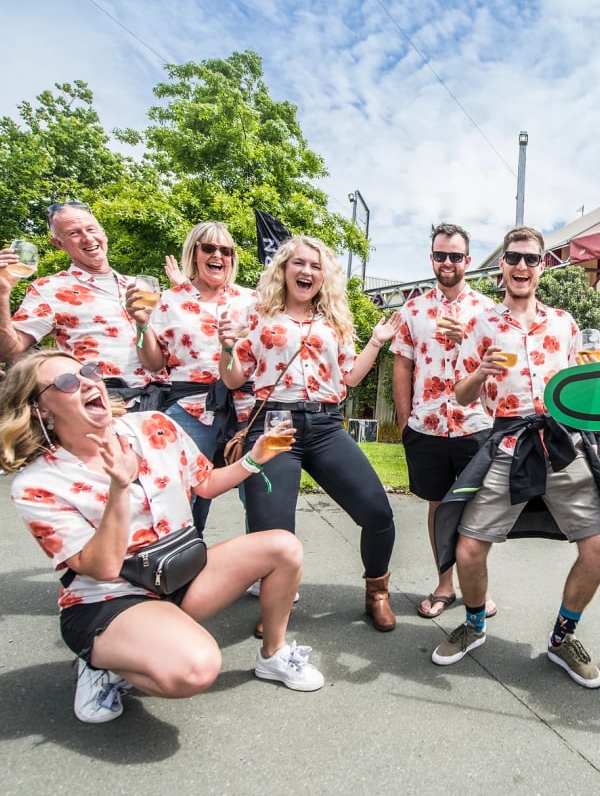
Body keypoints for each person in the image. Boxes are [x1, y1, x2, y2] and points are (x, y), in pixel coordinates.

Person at [0, 350, 324, 724]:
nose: (89, 382)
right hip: (112, 599)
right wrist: (120, 488)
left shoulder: (154, 424)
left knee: (283, 546)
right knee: (195, 669)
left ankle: (273, 655)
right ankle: (101, 664)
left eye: (88, 370)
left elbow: (204, 484)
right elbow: (102, 568)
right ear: (40, 408)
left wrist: (254, 458)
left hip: (178, 575)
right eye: (68, 382)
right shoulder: (37, 484)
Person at [431, 226, 600, 688]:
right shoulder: (482, 325)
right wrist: (481, 370)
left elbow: (576, 394)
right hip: (507, 442)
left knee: (598, 548)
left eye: (530, 259)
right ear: (501, 266)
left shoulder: (565, 323)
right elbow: (463, 397)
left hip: (562, 443)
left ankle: (563, 637)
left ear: (542, 267)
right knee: (468, 549)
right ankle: (474, 624)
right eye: (513, 259)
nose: (521, 267)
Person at [218, 235, 402, 635]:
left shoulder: (334, 320)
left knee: (378, 514)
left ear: (325, 276)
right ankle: (277, 609)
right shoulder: (257, 314)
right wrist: (226, 348)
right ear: (283, 268)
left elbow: (350, 376)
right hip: (275, 426)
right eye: (299, 263)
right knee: (274, 532)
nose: (307, 272)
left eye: (316, 266)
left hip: (324, 425)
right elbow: (234, 378)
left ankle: (377, 594)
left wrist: (377, 342)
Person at [391, 223, 497, 619]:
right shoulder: (413, 309)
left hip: (475, 424)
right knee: (438, 505)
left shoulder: (488, 311)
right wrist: (405, 420)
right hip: (427, 425)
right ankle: (445, 585)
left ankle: (477, 588)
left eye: (455, 255)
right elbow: (402, 364)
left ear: (468, 261)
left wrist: (465, 339)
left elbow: (500, 367)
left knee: (475, 509)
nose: (448, 262)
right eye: (441, 255)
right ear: (432, 259)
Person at [127, 221, 255, 533]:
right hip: (190, 407)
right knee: (179, 490)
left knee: (257, 492)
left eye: (226, 250)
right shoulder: (168, 299)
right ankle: (181, 567)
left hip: (246, 408)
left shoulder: (252, 300)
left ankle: (266, 573)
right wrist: (143, 325)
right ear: (194, 252)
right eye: (209, 248)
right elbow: (154, 362)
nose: (218, 255)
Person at [0, 202, 168, 409]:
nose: (88, 238)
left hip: (164, 399)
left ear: (103, 233)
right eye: (74, 233)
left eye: (91, 229)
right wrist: (2, 292)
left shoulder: (139, 285)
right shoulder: (49, 288)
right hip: (104, 403)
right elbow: (8, 351)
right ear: (58, 243)